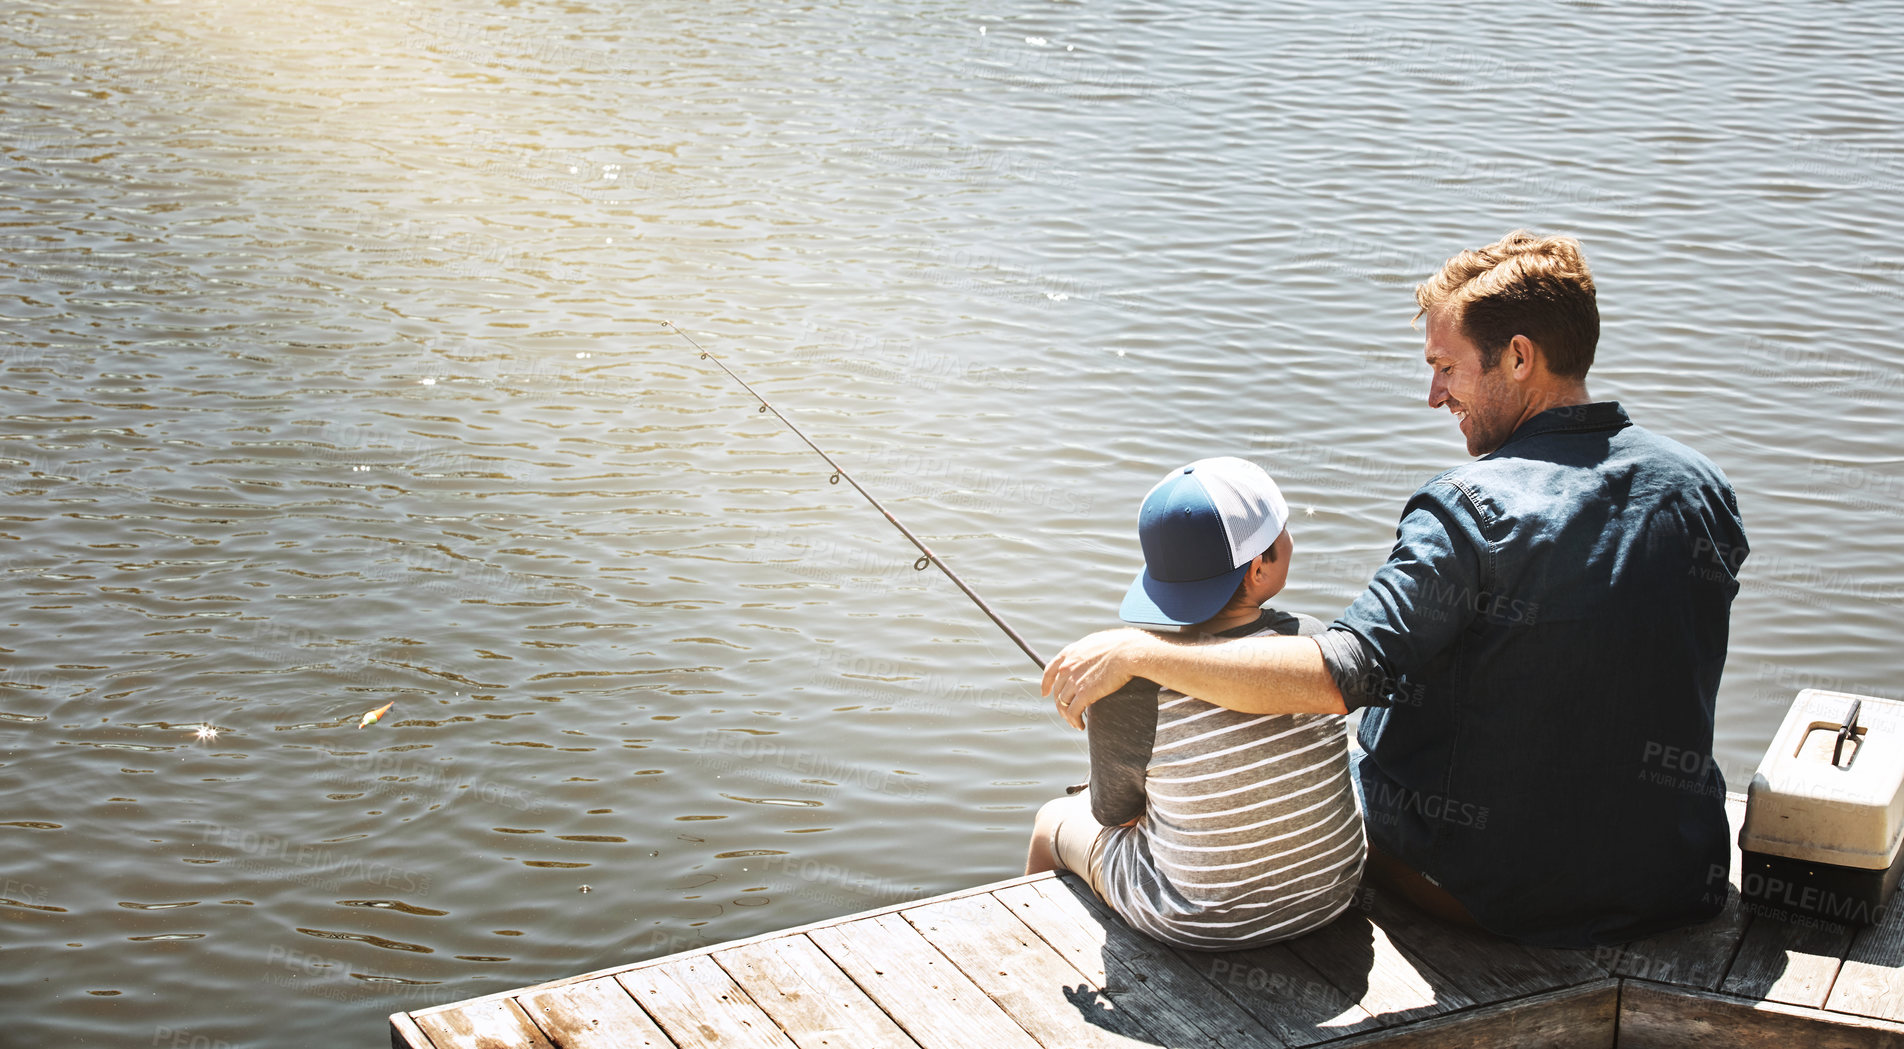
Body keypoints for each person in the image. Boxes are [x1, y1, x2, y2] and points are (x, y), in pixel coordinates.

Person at [1040, 231, 1748, 949]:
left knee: (1307, 773)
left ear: (1520, 357)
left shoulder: (1468, 510)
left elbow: (1336, 674)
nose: (1434, 394)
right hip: (1672, 878)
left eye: (1446, 367)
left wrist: (1140, 652)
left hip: (1490, 891)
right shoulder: (1699, 487)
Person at [1026, 456, 1365, 950]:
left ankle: (1032, 960)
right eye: (1284, 530)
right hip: (1331, 896)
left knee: (1051, 822)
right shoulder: (1311, 644)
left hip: (1197, 921)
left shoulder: (1128, 683)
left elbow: (1115, 816)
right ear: (1258, 568)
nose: (1291, 538)